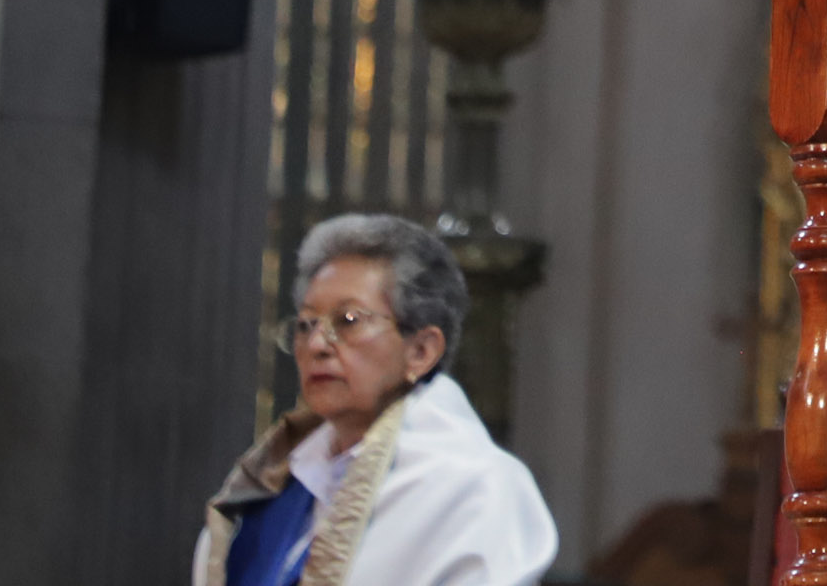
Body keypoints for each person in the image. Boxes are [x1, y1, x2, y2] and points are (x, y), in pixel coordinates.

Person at [194, 215, 557, 586]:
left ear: (421, 350)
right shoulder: (274, 487)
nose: (317, 345)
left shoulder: (475, 489)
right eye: (306, 324)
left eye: (348, 320)